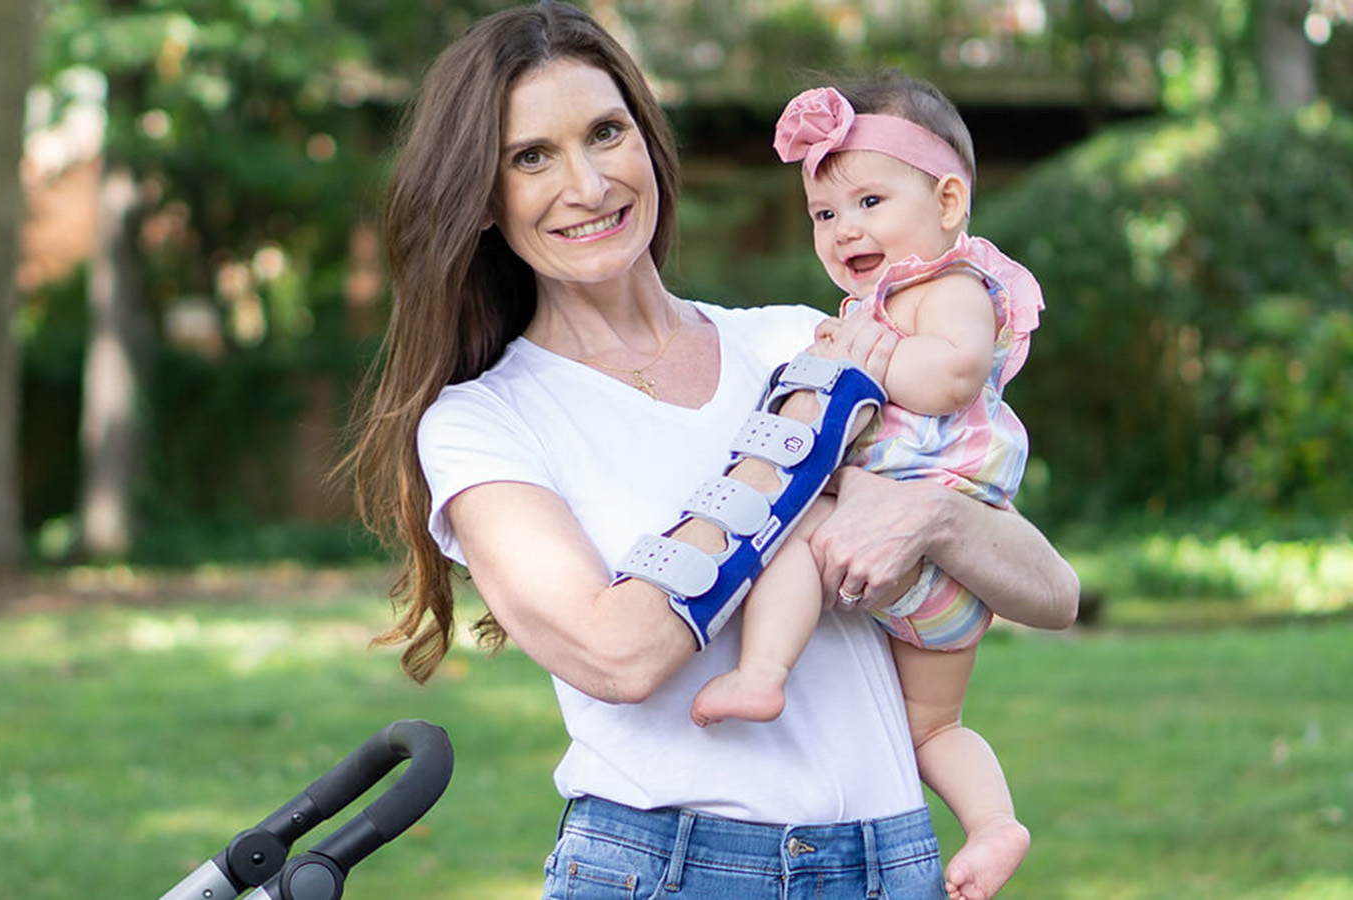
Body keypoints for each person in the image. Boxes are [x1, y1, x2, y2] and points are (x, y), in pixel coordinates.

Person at [343, 4, 1079, 898]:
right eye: (531, 156)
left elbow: (1051, 592)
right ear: (485, 199)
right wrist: (800, 441)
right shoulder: (483, 421)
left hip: (896, 860)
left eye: (607, 133)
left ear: (648, 145)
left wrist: (928, 515)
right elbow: (619, 653)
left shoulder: (799, 338)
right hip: (677, 870)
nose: (587, 183)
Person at [686, 73, 1046, 900]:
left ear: (948, 201)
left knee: (795, 540)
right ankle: (993, 825)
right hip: (933, 585)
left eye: (869, 202)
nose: (845, 228)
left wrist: (868, 355)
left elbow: (954, 376)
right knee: (934, 729)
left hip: (938, 533)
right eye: (824, 213)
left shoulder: (949, 287)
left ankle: (762, 672)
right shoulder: (876, 306)